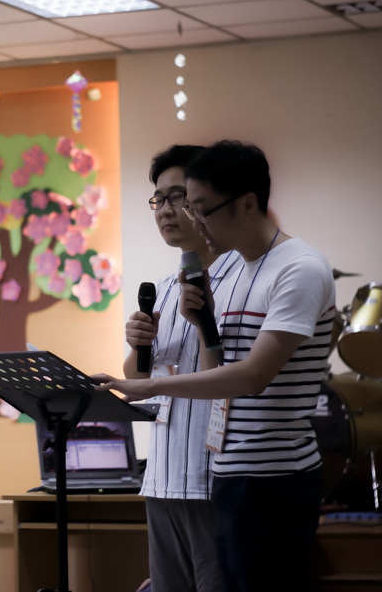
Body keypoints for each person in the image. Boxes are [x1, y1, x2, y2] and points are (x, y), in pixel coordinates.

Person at [97, 141, 335, 592]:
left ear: (246, 203)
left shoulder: (298, 267)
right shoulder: (238, 272)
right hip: (224, 472)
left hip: (272, 477)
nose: (190, 217)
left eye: (197, 207)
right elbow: (216, 370)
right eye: (170, 202)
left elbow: (253, 376)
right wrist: (192, 329)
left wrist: (149, 389)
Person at [126, 145, 241, 592]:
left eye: (177, 196)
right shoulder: (163, 288)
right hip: (162, 478)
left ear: (202, 199)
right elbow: (138, 380)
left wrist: (203, 324)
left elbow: (235, 380)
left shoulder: (241, 280)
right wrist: (138, 345)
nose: (165, 209)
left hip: (212, 479)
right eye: (159, 199)